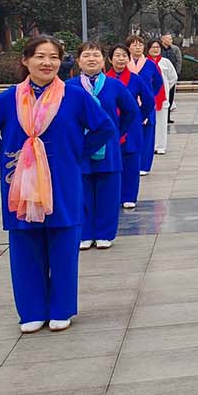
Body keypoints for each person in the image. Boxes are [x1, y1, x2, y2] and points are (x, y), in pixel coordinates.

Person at [0, 35, 115, 333]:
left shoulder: (74, 96)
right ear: (25, 61)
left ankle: (61, 308)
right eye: (39, 56)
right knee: (25, 247)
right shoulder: (9, 99)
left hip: (63, 182)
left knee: (63, 246)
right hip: (20, 186)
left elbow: (104, 128)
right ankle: (32, 310)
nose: (47, 62)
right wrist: (10, 161)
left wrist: (77, 155)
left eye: (53, 57)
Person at [75, 43, 140, 249]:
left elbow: (130, 111)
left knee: (108, 192)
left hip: (109, 148)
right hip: (80, 148)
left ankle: (104, 233)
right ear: (78, 61)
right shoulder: (69, 86)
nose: (92, 59)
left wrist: (116, 132)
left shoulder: (114, 85)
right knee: (81, 192)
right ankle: (85, 233)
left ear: (103, 61)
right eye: (86, 55)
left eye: (96, 55)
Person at [106, 44, 153, 209]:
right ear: (110, 59)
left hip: (132, 128)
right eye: (117, 55)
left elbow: (149, 101)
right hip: (110, 127)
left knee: (132, 162)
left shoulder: (135, 79)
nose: (120, 59)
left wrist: (139, 117)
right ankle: (114, 195)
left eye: (124, 56)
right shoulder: (103, 80)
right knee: (112, 162)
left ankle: (129, 196)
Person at [126, 34, 165, 175]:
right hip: (128, 104)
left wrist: (149, 96)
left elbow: (158, 82)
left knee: (147, 134)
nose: (138, 47)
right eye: (134, 45)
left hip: (146, 104)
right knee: (130, 133)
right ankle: (131, 163)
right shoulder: (124, 63)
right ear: (128, 47)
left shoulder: (150, 64)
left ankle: (144, 165)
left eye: (140, 45)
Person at [148, 40, 177, 156]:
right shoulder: (144, 62)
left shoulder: (166, 62)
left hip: (162, 98)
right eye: (153, 47)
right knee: (150, 123)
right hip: (148, 98)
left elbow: (173, 78)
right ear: (148, 49)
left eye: (157, 47)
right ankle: (151, 145)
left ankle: (160, 146)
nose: (156, 49)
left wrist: (164, 89)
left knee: (161, 123)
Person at [159, 32, 183, 120]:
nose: (170, 40)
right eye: (168, 39)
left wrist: (177, 73)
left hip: (171, 77)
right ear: (163, 40)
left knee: (170, 97)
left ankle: (168, 117)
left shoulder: (174, 49)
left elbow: (178, 61)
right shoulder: (159, 49)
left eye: (171, 39)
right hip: (161, 77)